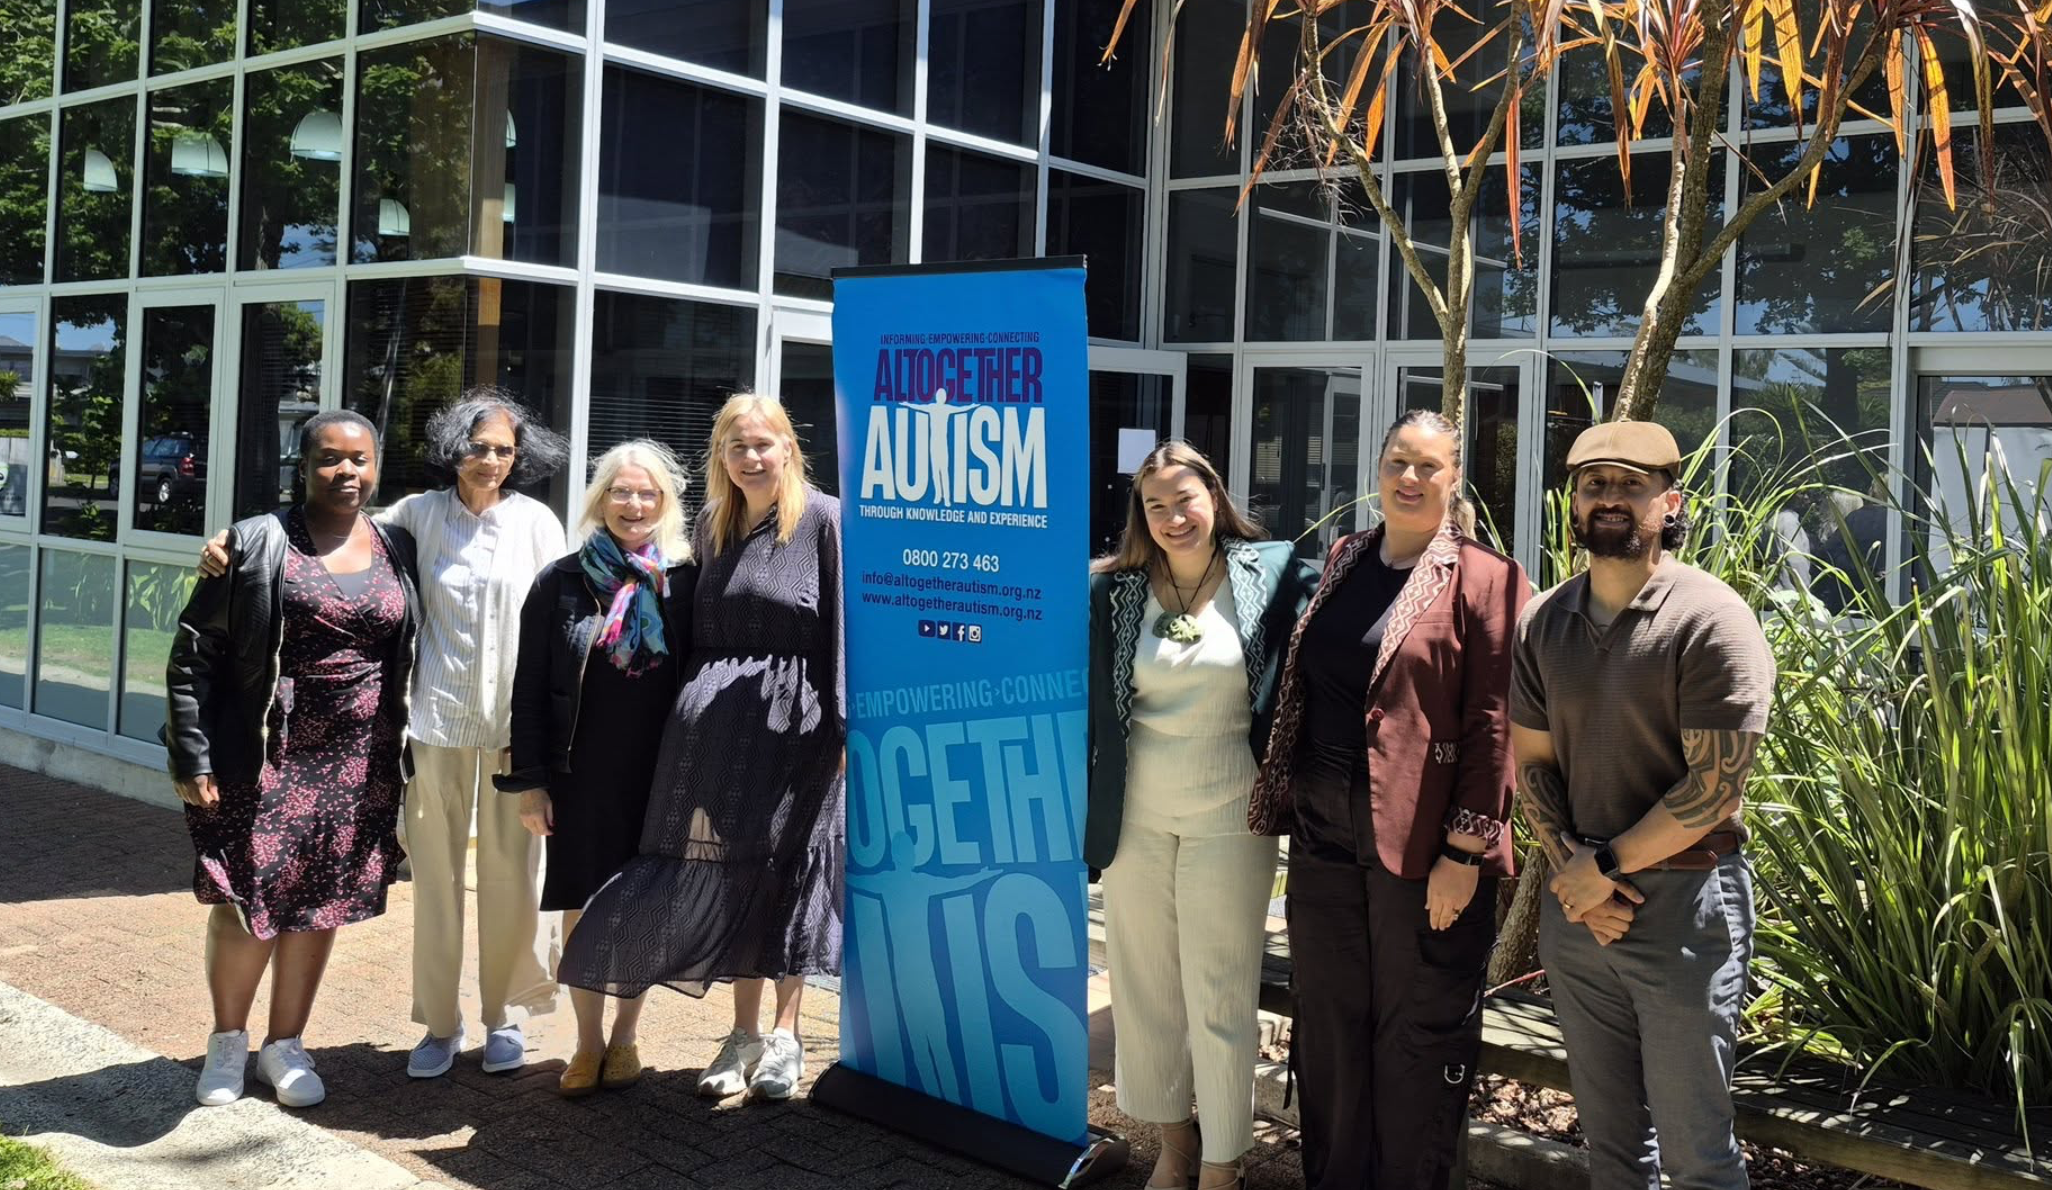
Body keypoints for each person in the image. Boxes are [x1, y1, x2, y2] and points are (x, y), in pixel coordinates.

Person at [201, 387, 570, 1080]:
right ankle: (438, 1023)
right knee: (434, 883)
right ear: (450, 449)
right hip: (430, 731)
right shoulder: (413, 519)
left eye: (503, 449)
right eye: (476, 446)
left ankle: (504, 1018)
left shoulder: (539, 526)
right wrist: (228, 543)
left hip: (514, 737)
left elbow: (559, 622)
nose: (489, 460)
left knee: (513, 880)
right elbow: (335, 528)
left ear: (520, 457)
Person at [1248, 409, 1530, 1190]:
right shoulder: (1345, 557)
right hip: (1323, 837)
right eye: (1397, 461)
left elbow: (1495, 724)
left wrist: (1466, 850)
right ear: (1377, 468)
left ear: (1455, 480)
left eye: (1428, 467)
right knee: (1332, 1034)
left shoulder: (1488, 579)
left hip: (1425, 848)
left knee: (1417, 1041)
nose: (1409, 478)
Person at [1511, 421, 1775, 1190]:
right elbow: (1530, 764)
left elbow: (1715, 786)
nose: (1610, 499)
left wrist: (1605, 869)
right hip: (1579, 906)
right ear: (1574, 502)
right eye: (1594, 484)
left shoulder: (1711, 619)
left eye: (1631, 484)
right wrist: (1578, 879)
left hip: (1684, 905)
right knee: (1614, 1151)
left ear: (1670, 501)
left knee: (1698, 1155)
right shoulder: (1544, 620)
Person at [558, 393, 844, 1105]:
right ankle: (741, 1033)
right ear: (720, 456)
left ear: (788, 447)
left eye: (763, 443)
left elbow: (845, 628)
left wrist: (845, 729)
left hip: (798, 725)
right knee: (726, 872)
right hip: (712, 735)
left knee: (790, 869)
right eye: (736, 445)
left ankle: (785, 1035)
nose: (751, 456)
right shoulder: (713, 530)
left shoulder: (826, 520)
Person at [167, 411, 423, 1109]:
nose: (347, 472)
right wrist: (192, 753)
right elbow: (195, 653)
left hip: (359, 757)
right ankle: (227, 1044)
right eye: (330, 459)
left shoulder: (398, 542)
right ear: (303, 466)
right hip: (267, 753)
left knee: (319, 904)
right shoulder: (258, 542)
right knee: (248, 901)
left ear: (378, 465)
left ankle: (285, 1045)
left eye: (361, 459)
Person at [1086, 441, 1319, 1190]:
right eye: (1155, 505)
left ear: (1214, 497)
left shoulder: (1271, 573)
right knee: (1146, 988)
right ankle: (1175, 1143)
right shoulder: (1117, 592)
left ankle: (1225, 1161)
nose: (1172, 517)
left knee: (1219, 990)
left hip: (1232, 811)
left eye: (1185, 499)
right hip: (1138, 814)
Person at [496, 440, 696, 1096]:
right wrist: (530, 783)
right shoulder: (559, 582)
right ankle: (585, 1042)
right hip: (579, 774)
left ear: (666, 503)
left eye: (647, 493)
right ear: (600, 499)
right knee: (581, 907)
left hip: (658, 776)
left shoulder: (688, 582)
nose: (633, 504)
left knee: (642, 909)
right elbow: (528, 689)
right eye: (620, 491)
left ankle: (627, 1038)